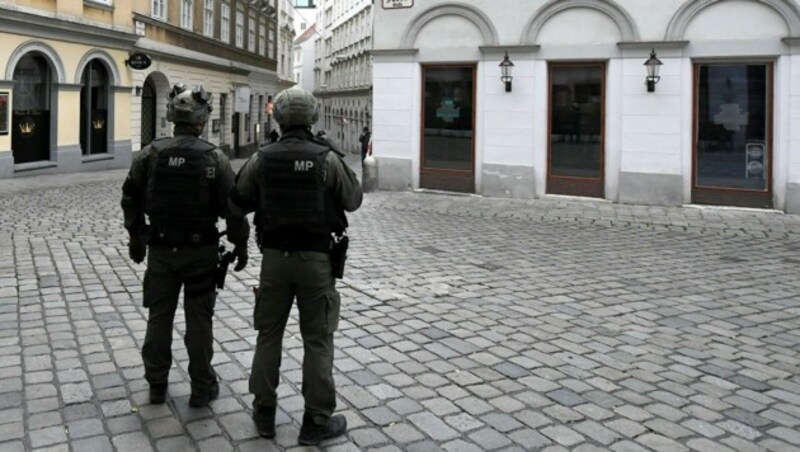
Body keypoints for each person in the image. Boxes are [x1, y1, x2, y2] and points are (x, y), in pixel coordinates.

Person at [230, 86, 362, 446]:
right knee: (317, 339)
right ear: (313, 117)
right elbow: (353, 200)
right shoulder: (326, 158)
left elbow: (238, 198)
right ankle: (316, 420)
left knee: (268, 335)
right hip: (316, 261)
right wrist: (332, 151)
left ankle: (265, 412)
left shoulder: (262, 157)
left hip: (274, 260)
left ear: (279, 117)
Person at [121, 83, 250, 408]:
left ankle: (156, 384)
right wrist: (241, 244)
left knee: (159, 317)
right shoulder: (214, 158)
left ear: (171, 117)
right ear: (201, 120)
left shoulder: (151, 153)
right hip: (199, 252)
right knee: (199, 320)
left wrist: (135, 236)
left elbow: (130, 196)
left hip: (161, 251)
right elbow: (232, 208)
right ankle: (202, 386)